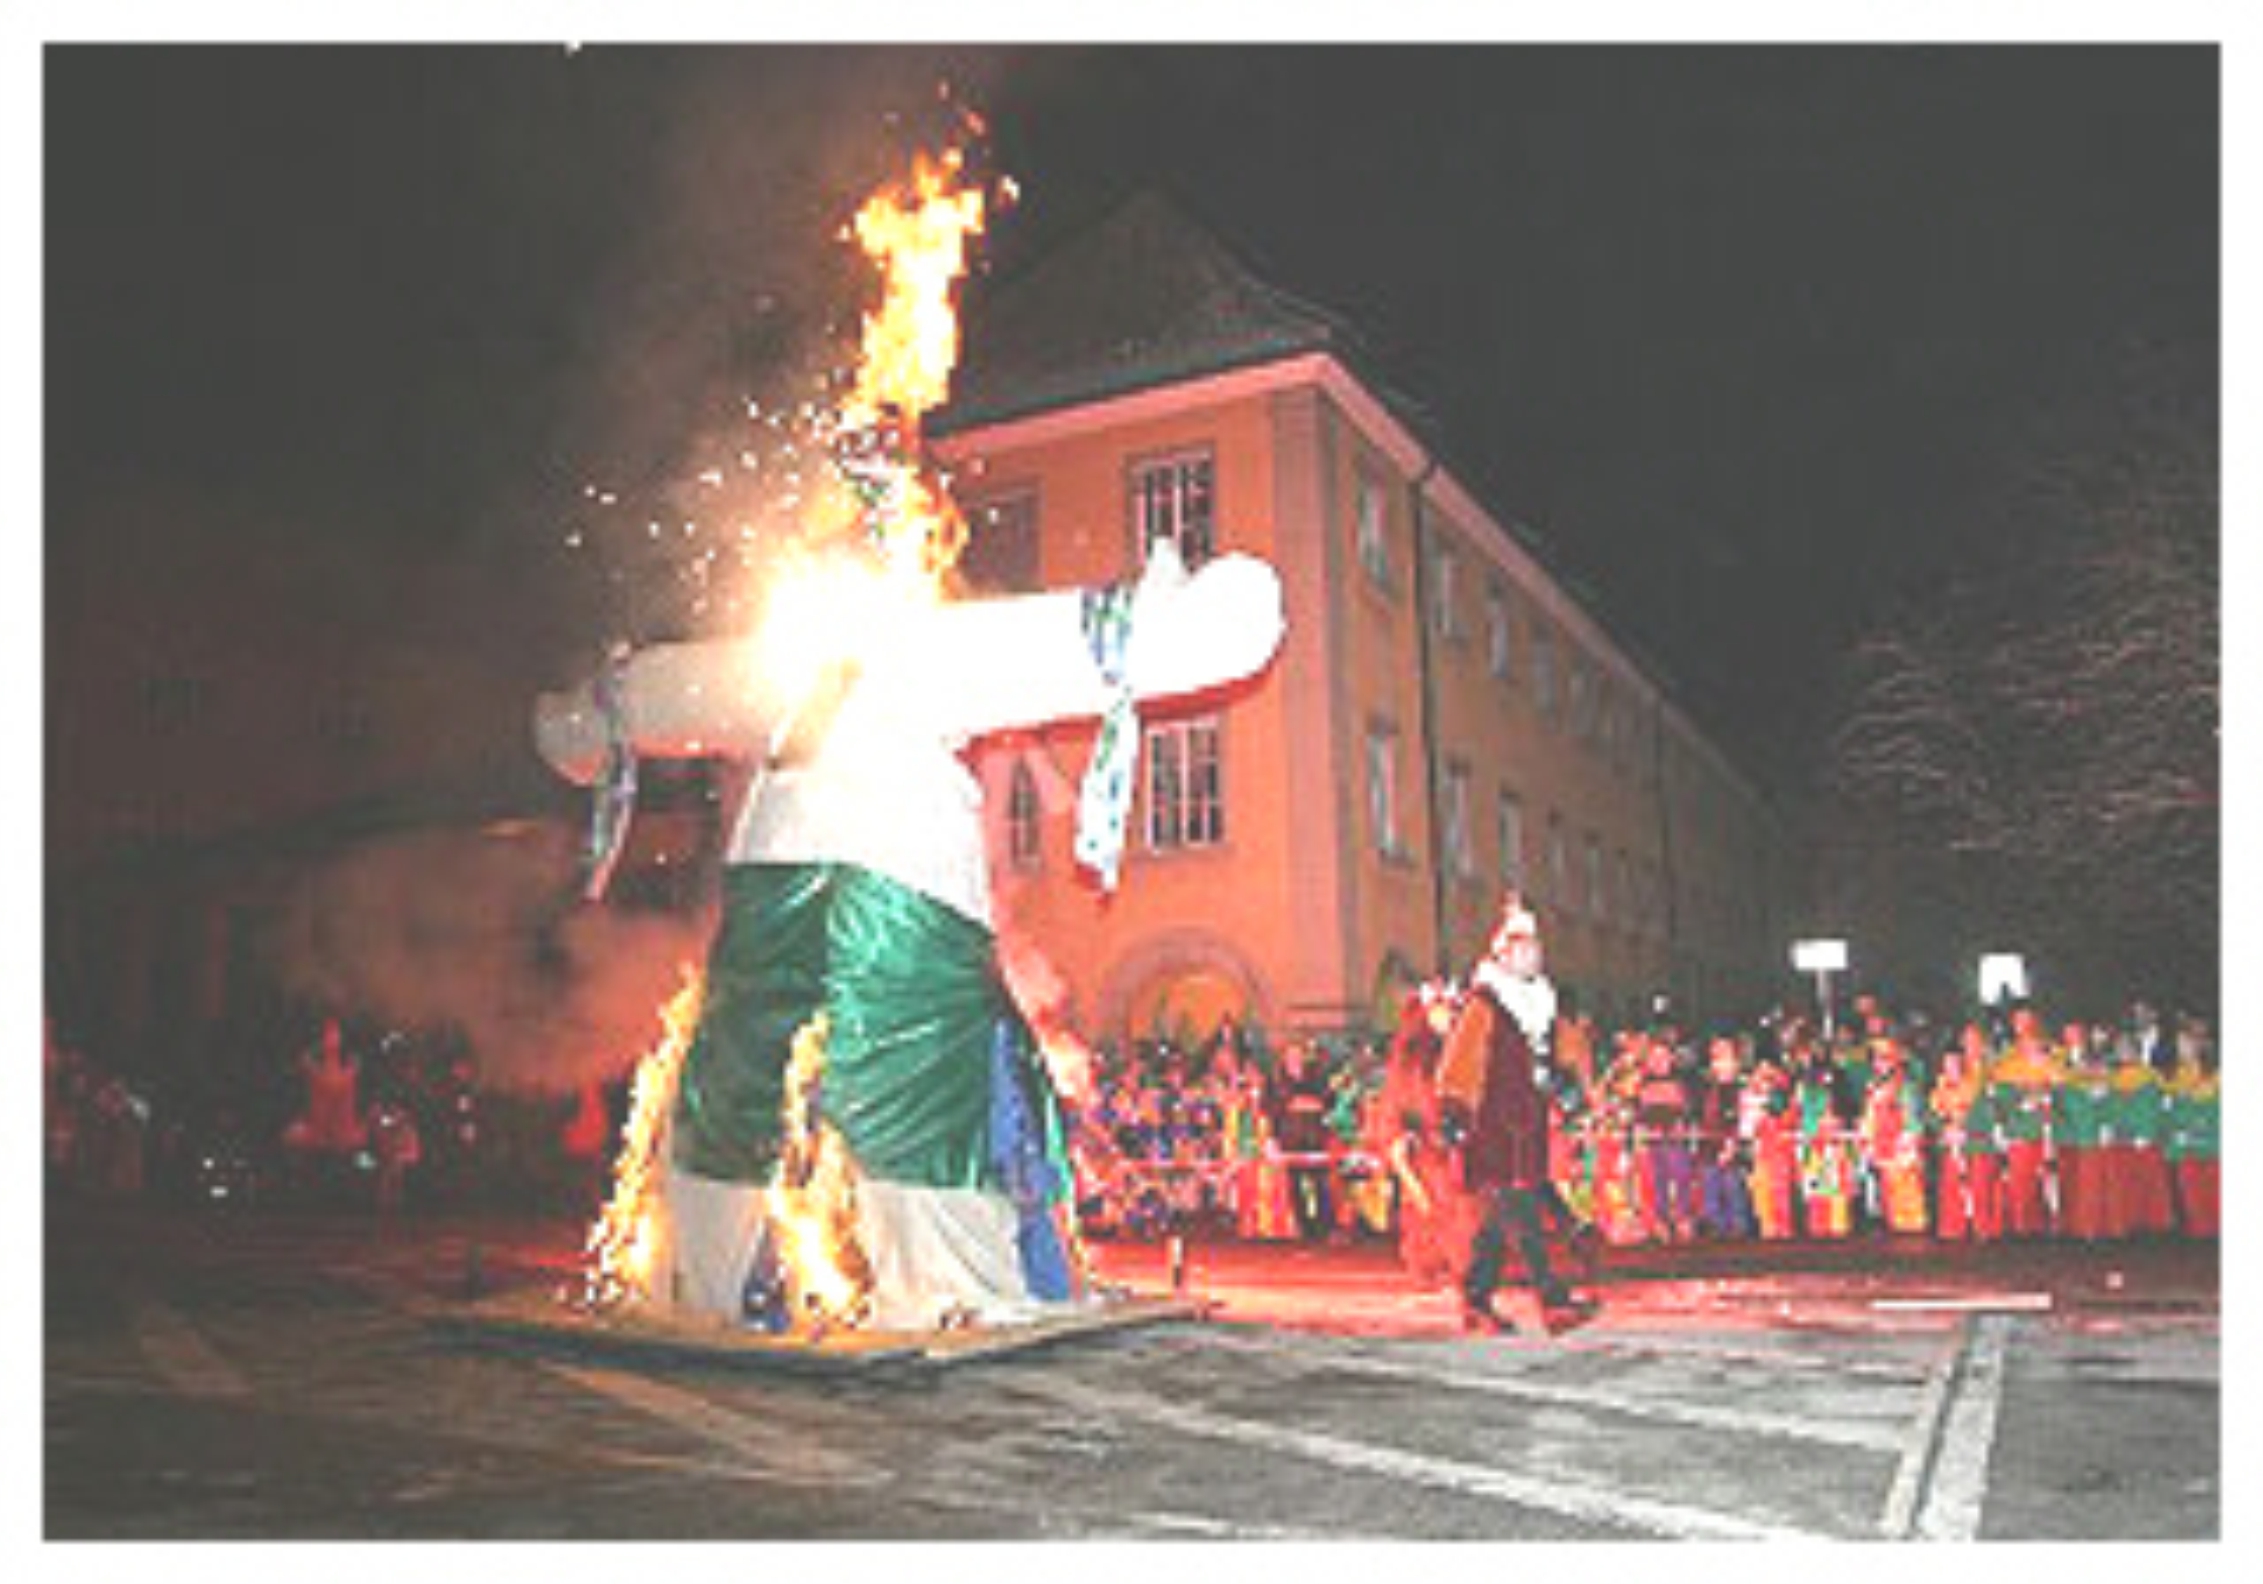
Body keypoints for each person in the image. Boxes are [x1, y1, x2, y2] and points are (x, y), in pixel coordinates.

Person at [1436, 895, 1596, 1335]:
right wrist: (1454, 1110)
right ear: (1503, 955)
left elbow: (1563, 1051)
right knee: (1522, 1215)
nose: (1532, 956)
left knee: (1495, 1226)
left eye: (1535, 948)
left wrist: (1569, 1083)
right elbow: (1461, 1060)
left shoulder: (1543, 1001)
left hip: (1528, 1124)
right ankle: (1552, 1300)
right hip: (1492, 1126)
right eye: (1522, 949)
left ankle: (1475, 1302)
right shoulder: (1485, 1005)